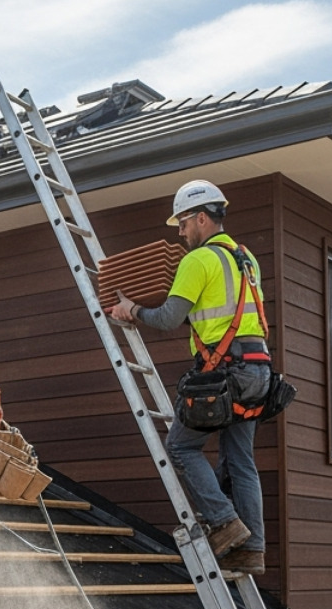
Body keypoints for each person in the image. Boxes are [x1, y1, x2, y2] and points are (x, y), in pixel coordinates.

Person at [107, 179, 271, 575]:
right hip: (258, 371)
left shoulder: (198, 260)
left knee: (180, 448)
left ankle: (223, 522)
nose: (180, 232)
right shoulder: (246, 258)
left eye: (182, 223)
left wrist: (131, 310)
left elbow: (168, 318)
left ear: (201, 218)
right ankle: (253, 550)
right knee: (240, 461)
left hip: (223, 373)